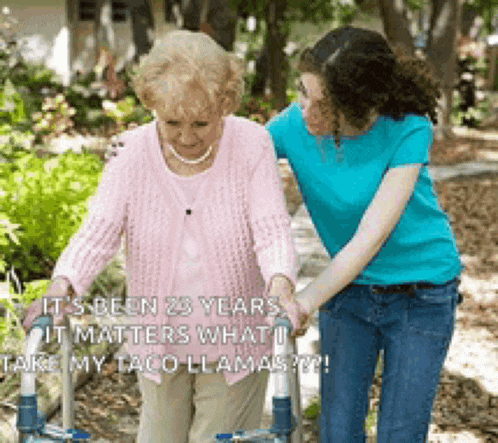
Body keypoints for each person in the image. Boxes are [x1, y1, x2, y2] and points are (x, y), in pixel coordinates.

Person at [23, 30, 302, 443]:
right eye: (172, 122)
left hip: (237, 340)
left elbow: (271, 227)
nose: (187, 138)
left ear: (225, 104)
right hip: (159, 342)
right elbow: (97, 233)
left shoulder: (252, 144)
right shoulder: (130, 152)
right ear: (152, 104)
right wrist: (63, 284)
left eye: (201, 123)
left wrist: (280, 283)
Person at [265, 25, 463, 443]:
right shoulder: (292, 125)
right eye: (303, 92)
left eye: (323, 107)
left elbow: (368, 239)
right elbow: (231, 153)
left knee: (399, 434)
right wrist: (141, 147)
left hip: (421, 294)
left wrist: (302, 303)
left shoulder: (407, 129)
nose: (305, 111)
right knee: (338, 432)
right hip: (349, 296)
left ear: (359, 109)